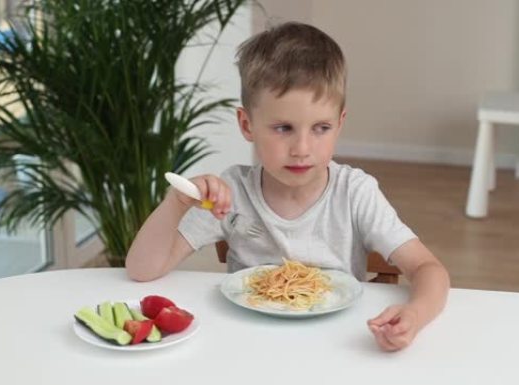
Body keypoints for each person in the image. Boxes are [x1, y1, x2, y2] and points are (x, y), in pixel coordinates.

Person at [126, 21, 449, 352]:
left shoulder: (355, 192)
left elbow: (429, 269)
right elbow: (141, 270)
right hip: (247, 346)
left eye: (321, 128)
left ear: (340, 124)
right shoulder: (231, 192)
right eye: (283, 128)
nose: (302, 148)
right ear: (246, 124)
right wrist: (176, 203)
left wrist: (415, 313)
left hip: (337, 346)